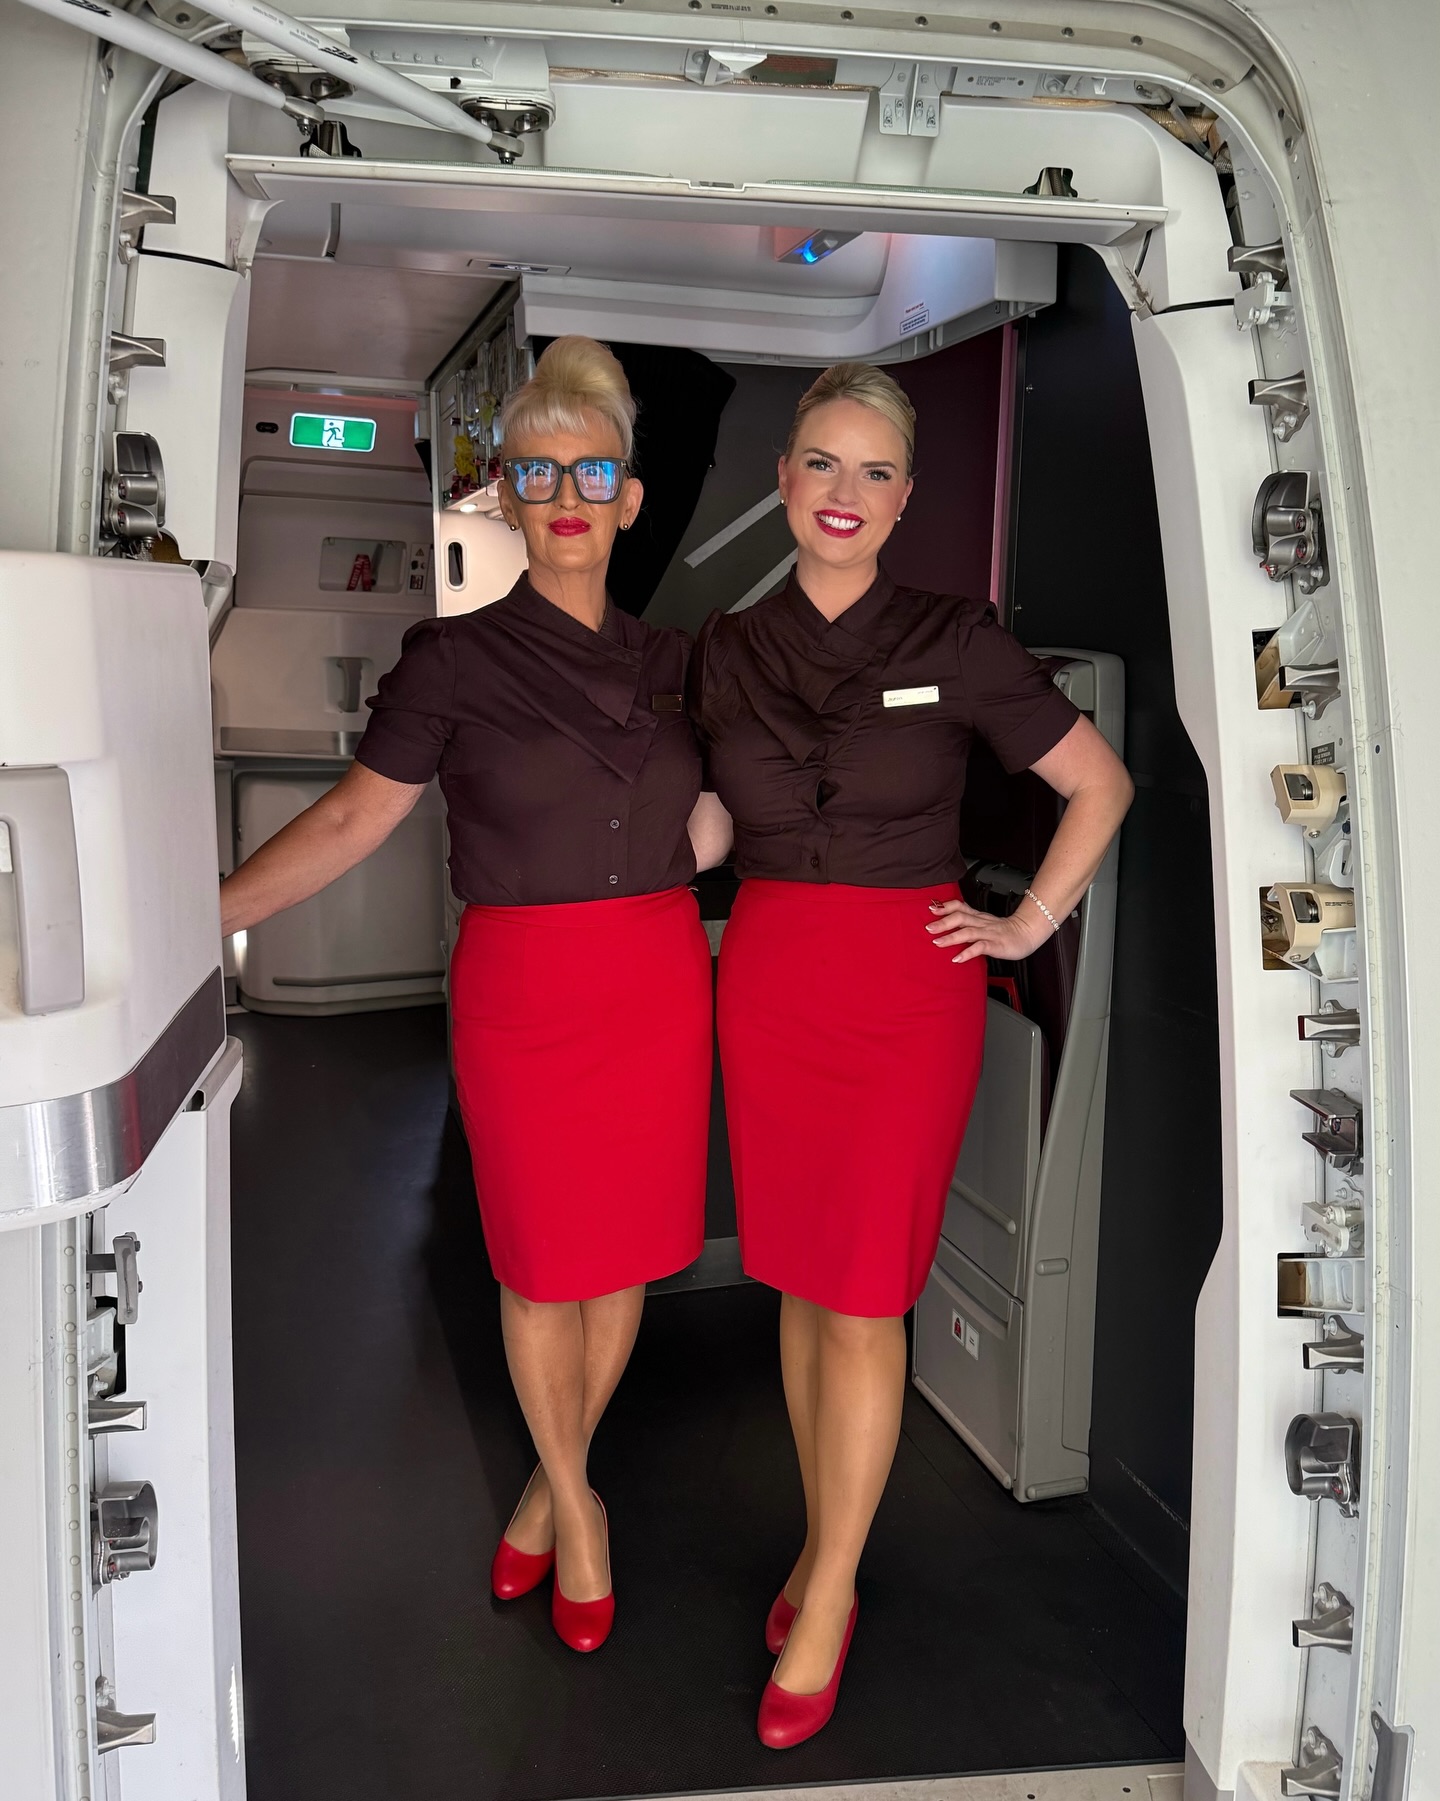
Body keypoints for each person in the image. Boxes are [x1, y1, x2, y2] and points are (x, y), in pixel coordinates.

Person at [221, 336, 732, 1654]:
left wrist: (711, 841)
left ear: (629, 497)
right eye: (537, 473)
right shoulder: (449, 661)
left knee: (621, 1256)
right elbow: (352, 820)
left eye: (592, 472)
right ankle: (581, 1510)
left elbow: (723, 812)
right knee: (541, 1263)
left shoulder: (680, 661)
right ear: (506, 492)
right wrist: (205, 917)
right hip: (525, 991)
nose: (565, 496)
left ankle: (547, 1489)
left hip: (655, 979)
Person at [691, 361, 1133, 1746]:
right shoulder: (725, 648)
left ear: (904, 499)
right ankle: (822, 1539)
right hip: (770, 979)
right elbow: (709, 822)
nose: (845, 492)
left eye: (874, 471)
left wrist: (1028, 922)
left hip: (902, 995)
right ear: (783, 480)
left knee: (867, 1295)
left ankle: (829, 1586)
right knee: (801, 1282)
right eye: (822, 463)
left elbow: (1100, 782)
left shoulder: (958, 636)